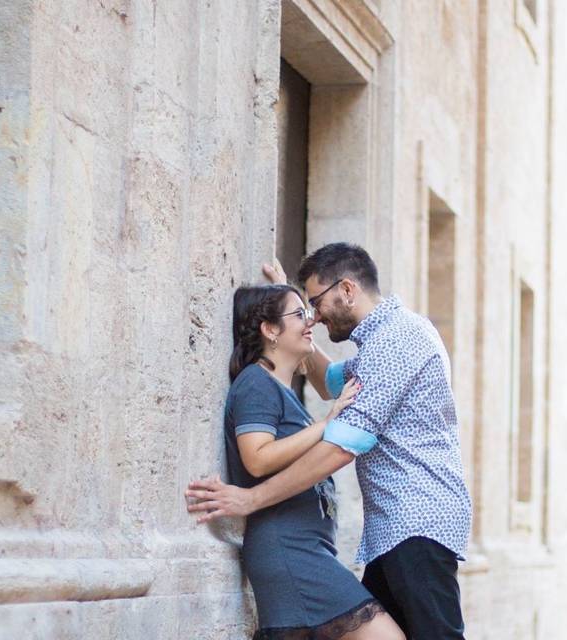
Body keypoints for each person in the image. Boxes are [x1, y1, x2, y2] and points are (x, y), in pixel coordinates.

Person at [188, 243, 473, 640]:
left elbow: (341, 446)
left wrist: (251, 499)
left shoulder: (397, 340)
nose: (315, 317)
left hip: (417, 522)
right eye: (306, 310)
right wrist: (285, 309)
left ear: (347, 290)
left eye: (316, 303)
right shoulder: (383, 343)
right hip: (397, 529)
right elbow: (327, 382)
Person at [220, 283, 405, 640]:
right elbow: (256, 459)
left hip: (307, 548)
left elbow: (324, 380)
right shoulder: (257, 383)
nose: (310, 323)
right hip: (290, 550)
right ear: (269, 329)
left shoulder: (279, 388)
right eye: (298, 315)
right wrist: (326, 424)